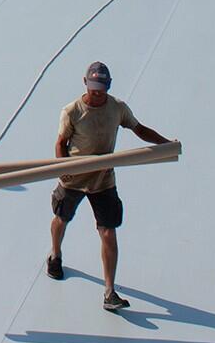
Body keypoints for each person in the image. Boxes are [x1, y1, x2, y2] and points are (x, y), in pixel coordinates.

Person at [45, 61, 171, 311]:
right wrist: (63, 168)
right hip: (75, 176)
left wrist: (165, 144)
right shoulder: (72, 111)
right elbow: (61, 142)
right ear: (85, 84)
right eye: (93, 89)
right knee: (62, 217)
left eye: (101, 89)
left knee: (108, 231)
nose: (97, 93)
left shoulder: (117, 108)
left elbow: (139, 129)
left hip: (103, 178)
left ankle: (109, 292)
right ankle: (55, 255)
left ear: (108, 86)